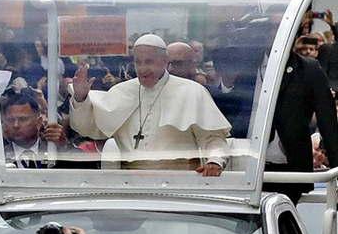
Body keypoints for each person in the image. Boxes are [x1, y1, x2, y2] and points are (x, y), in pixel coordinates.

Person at [70, 34, 231, 175]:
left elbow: (213, 138)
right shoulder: (121, 91)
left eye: (149, 62)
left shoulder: (192, 92)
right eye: (138, 62)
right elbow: (87, 127)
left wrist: (215, 161)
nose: (142, 69)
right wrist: (80, 97)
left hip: (181, 182)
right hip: (131, 186)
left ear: (165, 62)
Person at [263, 51, 338, 204]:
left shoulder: (309, 68)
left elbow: (327, 122)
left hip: (292, 167)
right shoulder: (249, 66)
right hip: (252, 165)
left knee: (282, 221)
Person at [2, 92, 67, 168]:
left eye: (23, 119)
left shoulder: (52, 149)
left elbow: (81, 169)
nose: (15, 125)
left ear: (39, 122)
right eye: (10, 120)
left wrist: (63, 147)